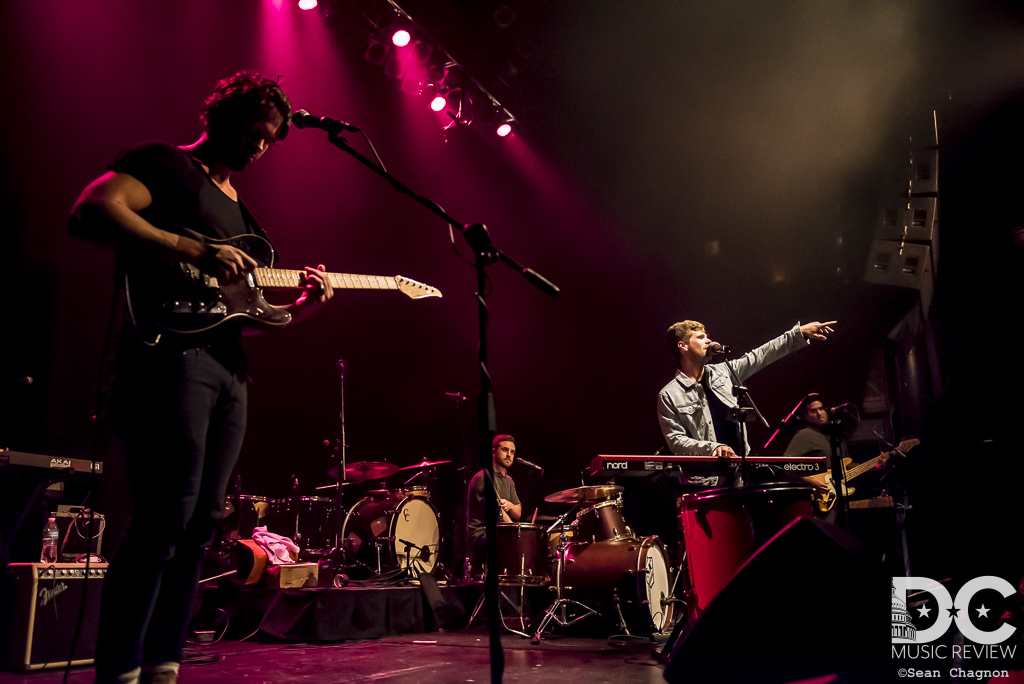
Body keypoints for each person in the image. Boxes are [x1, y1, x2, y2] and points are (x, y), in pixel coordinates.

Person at [69, 71, 335, 684]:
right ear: (219, 114)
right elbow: (92, 210)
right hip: (166, 362)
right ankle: (118, 669)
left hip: (226, 371)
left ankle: (162, 663)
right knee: (166, 515)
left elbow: (243, 316)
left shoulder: (245, 213)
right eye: (252, 131)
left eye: (269, 140)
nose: (258, 147)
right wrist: (191, 249)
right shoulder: (163, 165)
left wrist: (300, 308)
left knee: (201, 524)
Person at [657, 320, 836, 472]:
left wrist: (798, 333)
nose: (708, 340)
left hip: (742, 474)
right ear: (683, 345)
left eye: (707, 336)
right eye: (701, 337)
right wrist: (714, 448)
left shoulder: (724, 372)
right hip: (706, 481)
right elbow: (676, 441)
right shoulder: (669, 394)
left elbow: (760, 355)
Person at [466, 434, 521, 572]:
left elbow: (518, 513)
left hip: (499, 531)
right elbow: (497, 516)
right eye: (505, 450)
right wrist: (516, 534)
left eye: (512, 452)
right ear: (493, 451)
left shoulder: (509, 481)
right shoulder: (483, 478)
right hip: (480, 536)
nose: (509, 455)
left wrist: (509, 505)